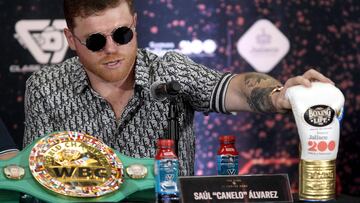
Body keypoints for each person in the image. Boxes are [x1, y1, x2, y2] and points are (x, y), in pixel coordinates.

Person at [23, 0, 333, 176]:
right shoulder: (45, 87)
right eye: (94, 41)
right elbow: (38, 174)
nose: (111, 49)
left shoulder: (170, 70)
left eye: (121, 34)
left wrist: (280, 95)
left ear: (134, 23)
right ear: (70, 39)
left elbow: (234, 88)